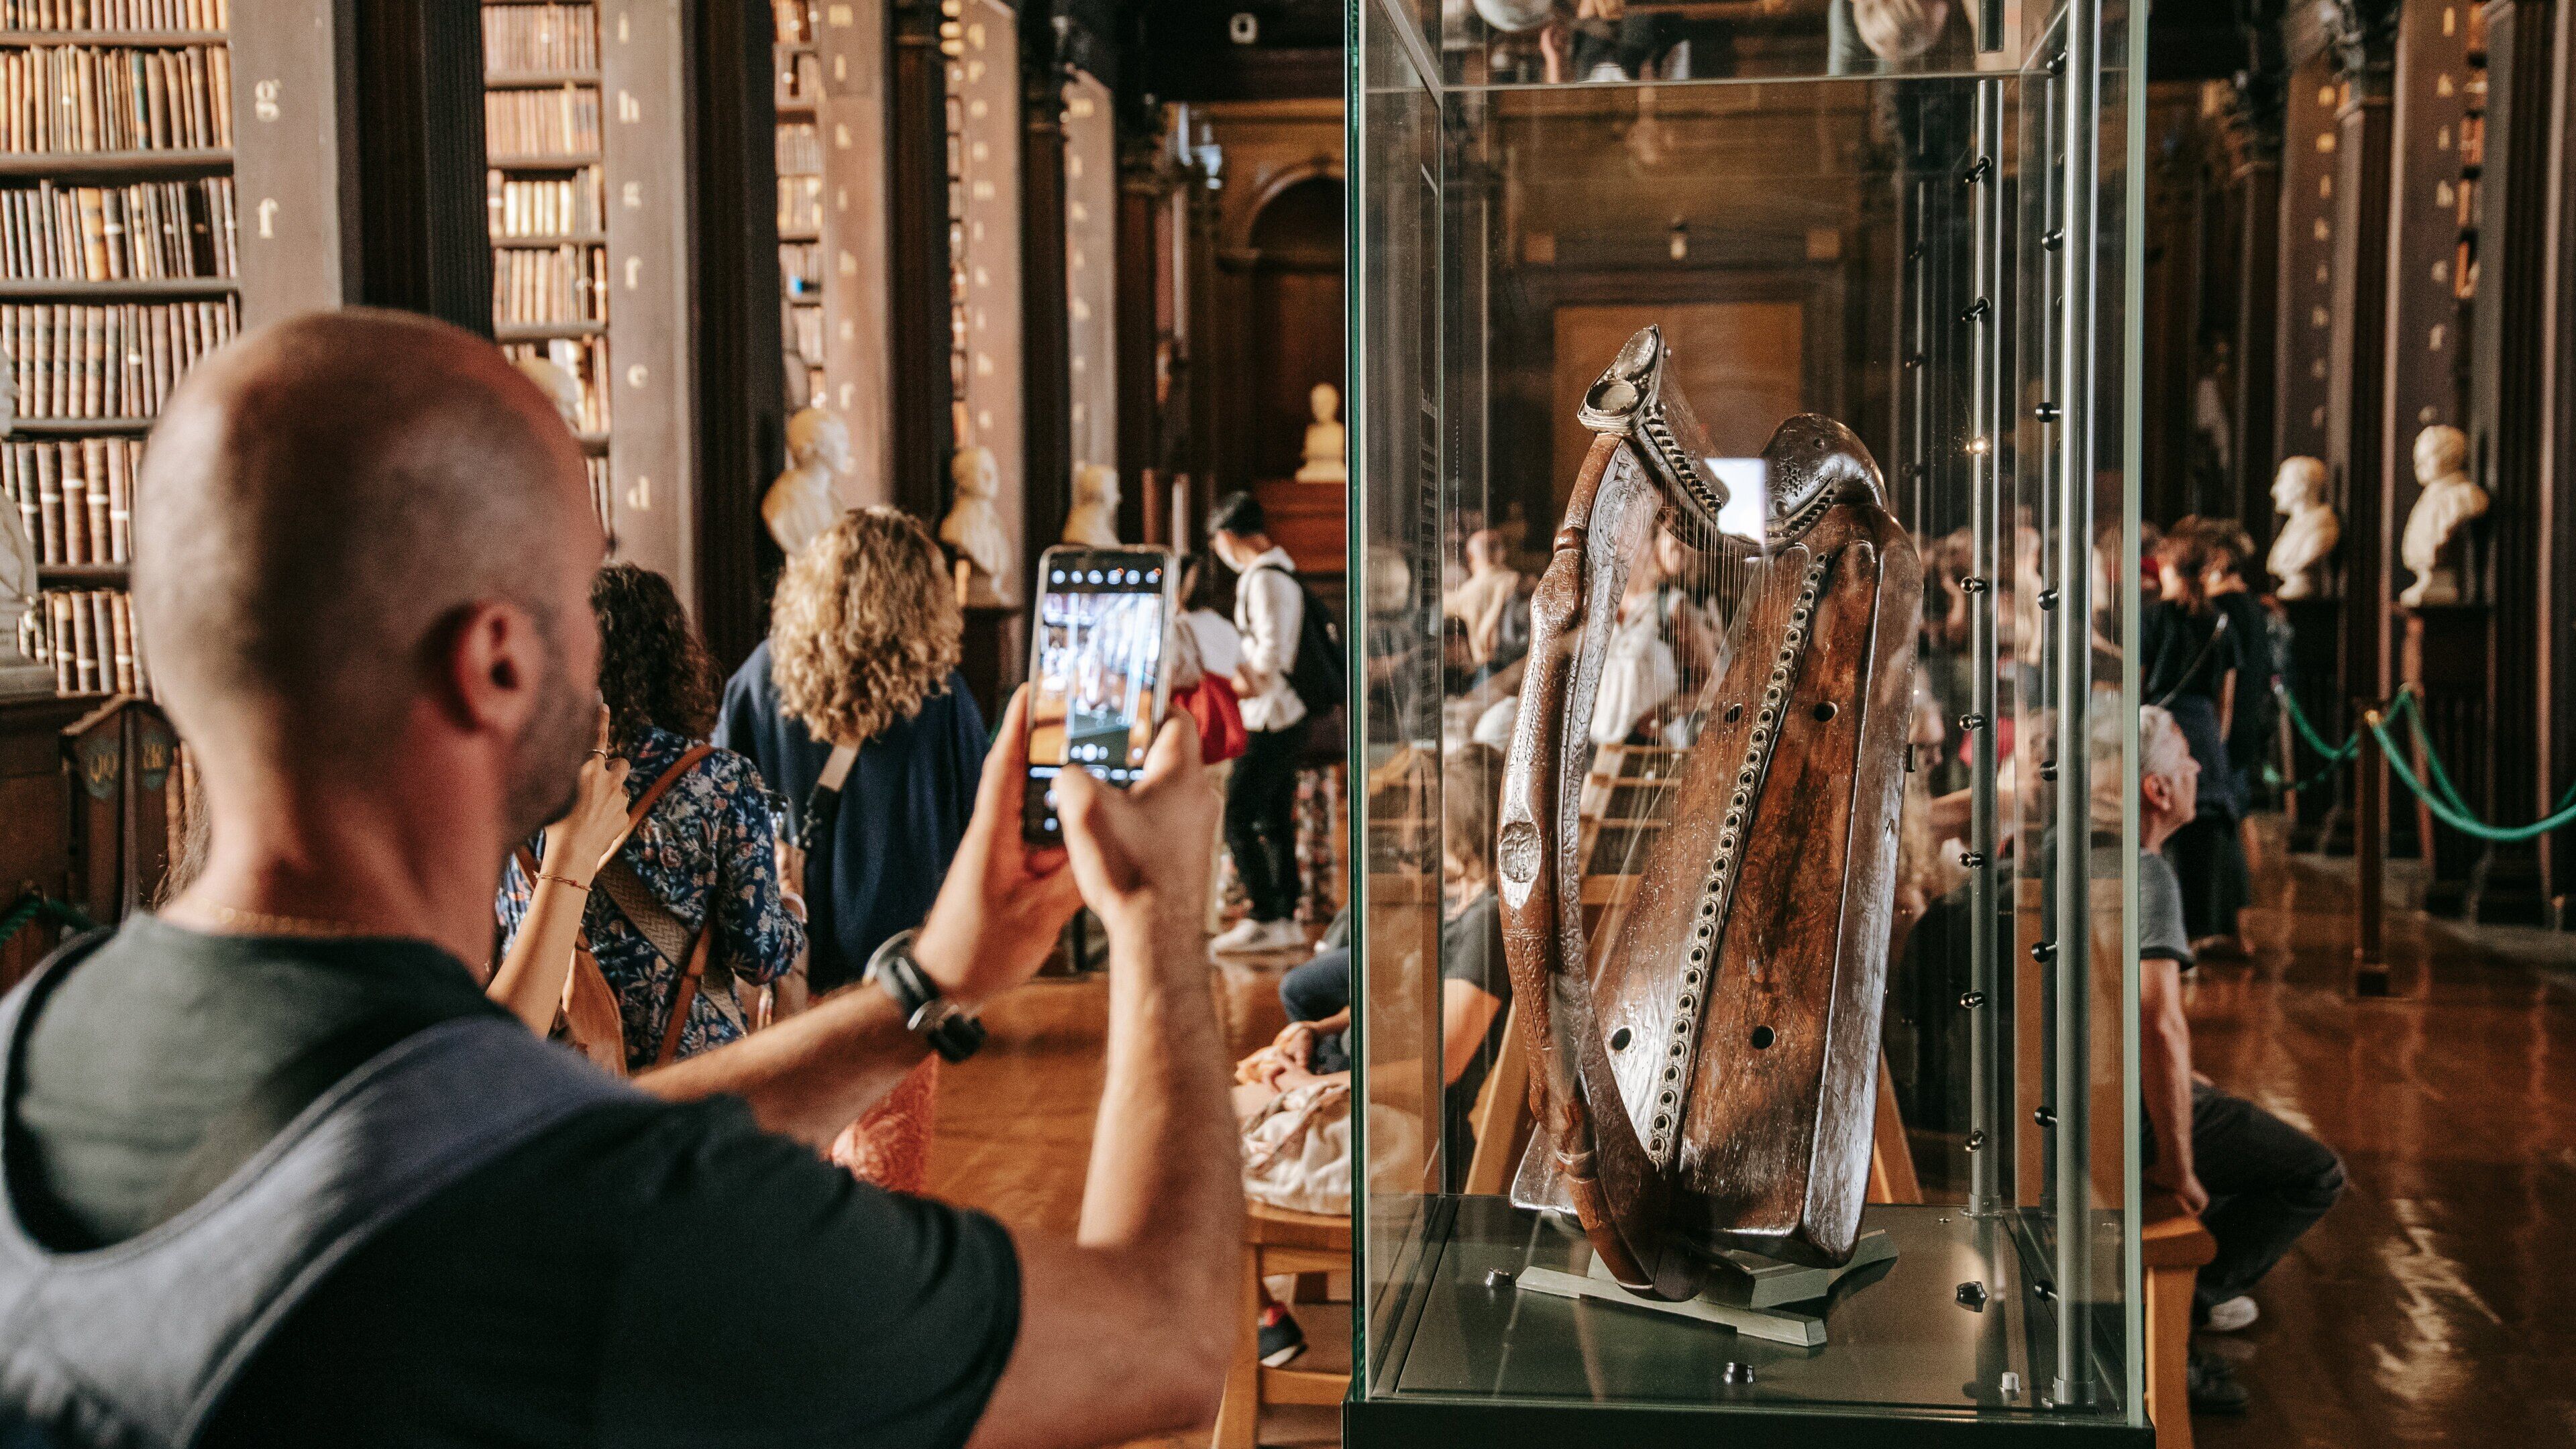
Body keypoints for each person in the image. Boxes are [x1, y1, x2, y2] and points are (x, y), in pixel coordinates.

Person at [1, 309, 1238, 1448]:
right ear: (496, 663)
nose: (605, 642)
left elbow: (531, 1141)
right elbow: (1165, 1336)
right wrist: (1158, 921)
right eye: (579, 593)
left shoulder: (32, 1049)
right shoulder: (588, 1239)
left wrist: (925, 981)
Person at [1236, 743, 1513, 1366]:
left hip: (1407, 1135)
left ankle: (1256, 1319)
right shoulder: (1470, 905)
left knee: (1196, 1132)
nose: (1418, 825)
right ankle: (1255, 1317)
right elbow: (1413, 1011)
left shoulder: (1489, 920)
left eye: (1430, 811)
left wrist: (1310, 1088)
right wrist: (1322, 1028)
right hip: (1376, 1107)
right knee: (1214, 1107)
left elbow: (1440, 1067)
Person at [2115, 703, 2345, 1415]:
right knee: (2314, 1173)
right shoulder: (2145, 873)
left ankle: (2171, 1304)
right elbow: (2159, 1027)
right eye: (2185, 758)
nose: (2194, 769)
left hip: (2077, 1093)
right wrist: (2178, 1165)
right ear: (2157, 790)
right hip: (2124, 1110)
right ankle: (2178, 1309)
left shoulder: (2077, 847)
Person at [499, 563, 803, 1070]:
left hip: (555, 1067)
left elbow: (507, 928)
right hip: (689, 1074)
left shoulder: (521, 780)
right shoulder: (721, 781)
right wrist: (793, 912)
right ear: (673, 661)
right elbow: (759, 955)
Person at [718, 505, 989, 994]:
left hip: (790, 944)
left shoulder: (760, 678)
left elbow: (726, 807)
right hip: (903, 962)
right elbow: (976, 820)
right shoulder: (938, 695)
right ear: (923, 595)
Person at [1208, 492, 1311, 955]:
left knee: (1236, 817)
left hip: (1272, 715)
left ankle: (1267, 913)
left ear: (1227, 538)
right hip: (1282, 713)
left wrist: (1232, 680)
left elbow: (1270, 659)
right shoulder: (1274, 573)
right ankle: (1283, 914)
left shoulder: (1265, 580)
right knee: (1273, 818)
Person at [2142, 521, 2251, 955]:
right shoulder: (2222, 624)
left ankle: (2164, 932)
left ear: (2167, 566)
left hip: (2162, 726)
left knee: (2159, 830)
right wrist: (2214, 747)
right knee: (2206, 833)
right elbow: (2225, 699)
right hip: (2203, 730)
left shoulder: (2152, 617)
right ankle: (2203, 929)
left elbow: (2140, 682)